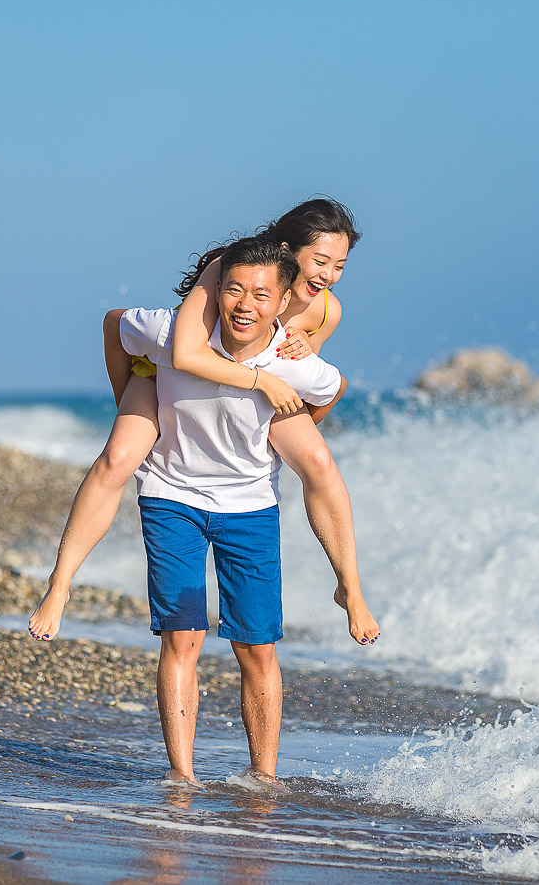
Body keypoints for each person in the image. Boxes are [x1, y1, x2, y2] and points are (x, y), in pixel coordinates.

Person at [28, 199, 378, 646]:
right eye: (321, 261)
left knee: (319, 460)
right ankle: (59, 587)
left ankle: (349, 585)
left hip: (252, 394)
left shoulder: (327, 310)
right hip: (169, 377)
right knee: (119, 458)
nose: (328, 276)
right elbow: (184, 354)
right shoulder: (225, 269)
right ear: (288, 250)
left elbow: (313, 381)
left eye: (340, 267)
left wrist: (284, 420)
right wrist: (133, 408)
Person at [122, 235, 341, 787]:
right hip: (173, 494)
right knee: (182, 637)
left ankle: (263, 778)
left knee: (257, 647)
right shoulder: (173, 333)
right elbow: (115, 325)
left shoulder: (290, 360)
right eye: (234, 290)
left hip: (250, 506)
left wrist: (291, 425)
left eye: (261, 295)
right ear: (214, 291)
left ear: (282, 298)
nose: (246, 304)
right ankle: (182, 777)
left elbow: (332, 387)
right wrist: (130, 403)